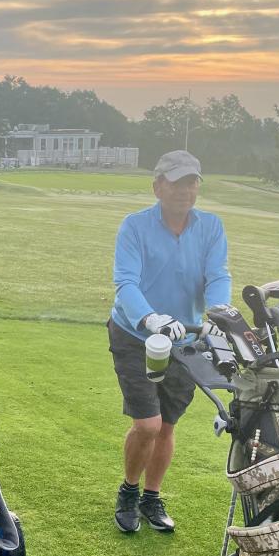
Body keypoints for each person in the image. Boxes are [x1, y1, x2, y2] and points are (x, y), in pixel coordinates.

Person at [107, 149, 231, 533]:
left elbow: (217, 276)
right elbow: (125, 281)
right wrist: (150, 317)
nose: (185, 190)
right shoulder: (135, 226)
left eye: (192, 182)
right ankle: (129, 491)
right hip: (135, 334)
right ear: (158, 186)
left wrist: (217, 314)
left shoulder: (210, 227)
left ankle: (151, 497)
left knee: (167, 426)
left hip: (185, 339)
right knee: (147, 424)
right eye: (177, 182)